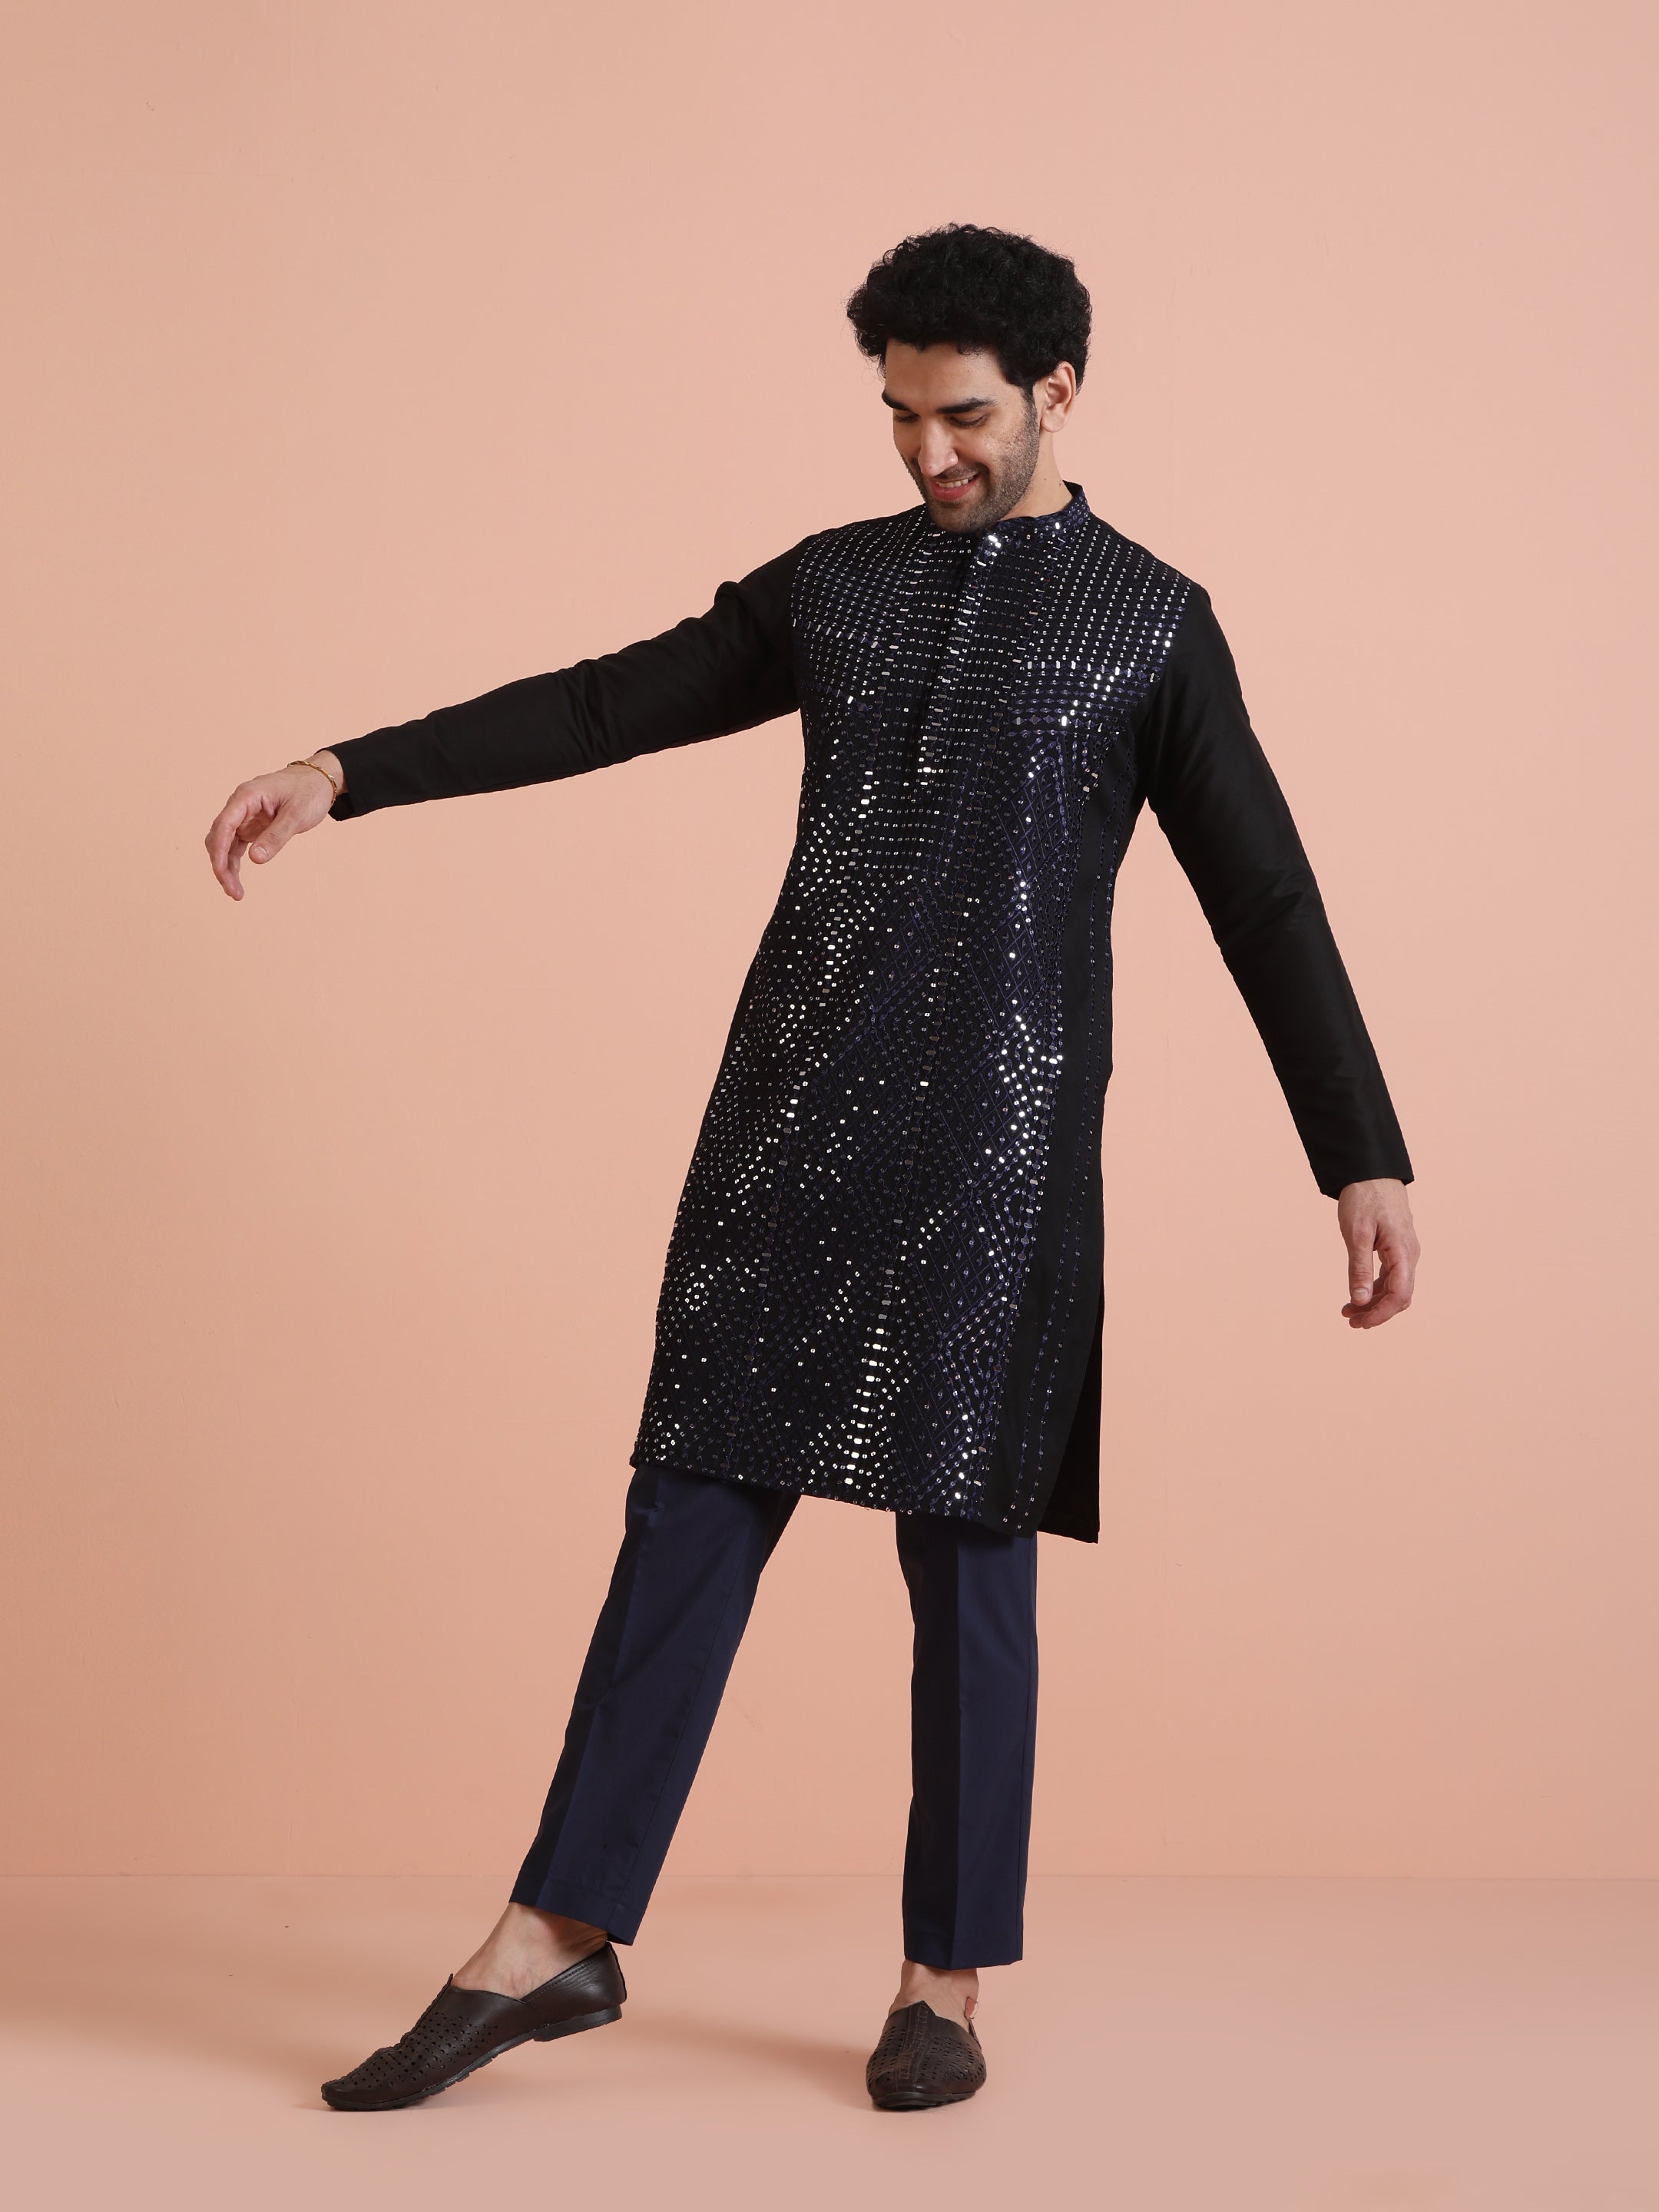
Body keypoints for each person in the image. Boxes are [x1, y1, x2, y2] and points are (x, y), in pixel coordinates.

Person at [205, 224, 1418, 2114]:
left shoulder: (1150, 624)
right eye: (901, 417)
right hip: (793, 1113)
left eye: (966, 417)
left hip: (1004, 1148)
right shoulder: (837, 588)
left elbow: (1265, 895)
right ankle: (554, 1934)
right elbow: (606, 702)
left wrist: (1360, 1155)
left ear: (1059, 394)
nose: (931, 453)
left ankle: (947, 1981)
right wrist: (347, 771)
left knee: (972, 1553)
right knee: (688, 1503)